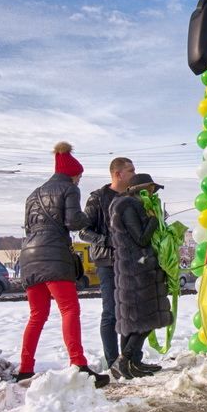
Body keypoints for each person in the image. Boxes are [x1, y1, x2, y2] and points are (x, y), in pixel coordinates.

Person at [17, 143, 108, 387]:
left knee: (37, 314)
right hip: (53, 255)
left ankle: (25, 368)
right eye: (79, 176)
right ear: (73, 173)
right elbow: (73, 221)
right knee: (69, 309)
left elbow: (28, 227)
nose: (79, 180)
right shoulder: (69, 188)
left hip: (28, 255)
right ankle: (78, 364)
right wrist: (91, 218)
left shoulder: (33, 194)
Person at [79, 156, 147, 374]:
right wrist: (106, 240)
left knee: (134, 313)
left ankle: (132, 361)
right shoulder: (98, 198)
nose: (135, 174)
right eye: (131, 170)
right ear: (118, 174)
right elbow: (83, 231)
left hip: (133, 261)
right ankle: (112, 363)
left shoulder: (135, 196)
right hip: (108, 262)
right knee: (111, 313)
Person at [109, 173, 174, 380]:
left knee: (132, 319)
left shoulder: (123, 204)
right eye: (151, 189)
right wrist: (154, 220)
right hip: (138, 270)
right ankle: (124, 360)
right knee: (147, 318)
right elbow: (141, 238)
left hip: (131, 268)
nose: (153, 193)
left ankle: (132, 363)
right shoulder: (129, 206)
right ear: (142, 189)